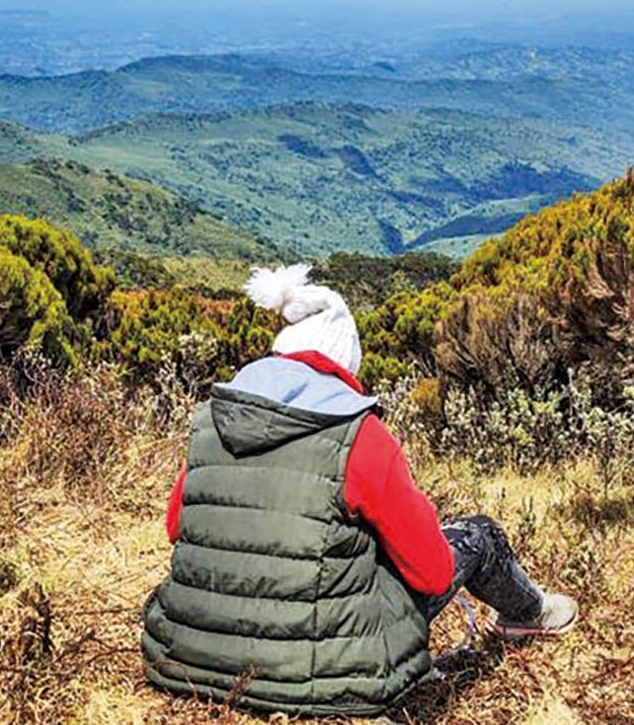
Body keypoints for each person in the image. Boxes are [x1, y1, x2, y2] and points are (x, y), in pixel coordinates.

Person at [142, 264, 577, 718]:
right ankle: (533, 615)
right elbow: (432, 572)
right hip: (328, 675)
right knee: (478, 536)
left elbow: (179, 528)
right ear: (345, 361)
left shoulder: (211, 418)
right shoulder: (359, 434)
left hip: (184, 660)